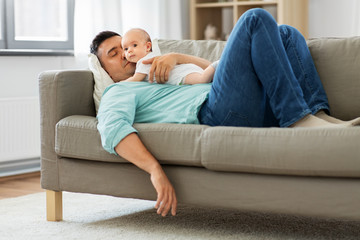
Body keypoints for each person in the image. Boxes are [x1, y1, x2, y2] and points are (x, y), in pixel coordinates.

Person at [90, 8, 360, 217]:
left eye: (127, 46)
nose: (126, 54)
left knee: (286, 33)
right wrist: (154, 171)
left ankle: (317, 116)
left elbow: (216, 69)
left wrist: (177, 57)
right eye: (116, 53)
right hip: (215, 113)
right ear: (104, 70)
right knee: (254, 18)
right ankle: (299, 121)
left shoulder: (158, 70)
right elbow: (114, 130)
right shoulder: (119, 92)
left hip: (231, 97)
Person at [121, 28, 218, 85]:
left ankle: (217, 65)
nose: (129, 50)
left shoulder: (144, 61)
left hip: (180, 74)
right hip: (186, 70)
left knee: (202, 79)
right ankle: (215, 69)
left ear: (147, 46)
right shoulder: (153, 57)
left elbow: (135, 79)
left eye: (134, 45)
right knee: (208, 78)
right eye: (125, 49)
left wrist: (120, 83)